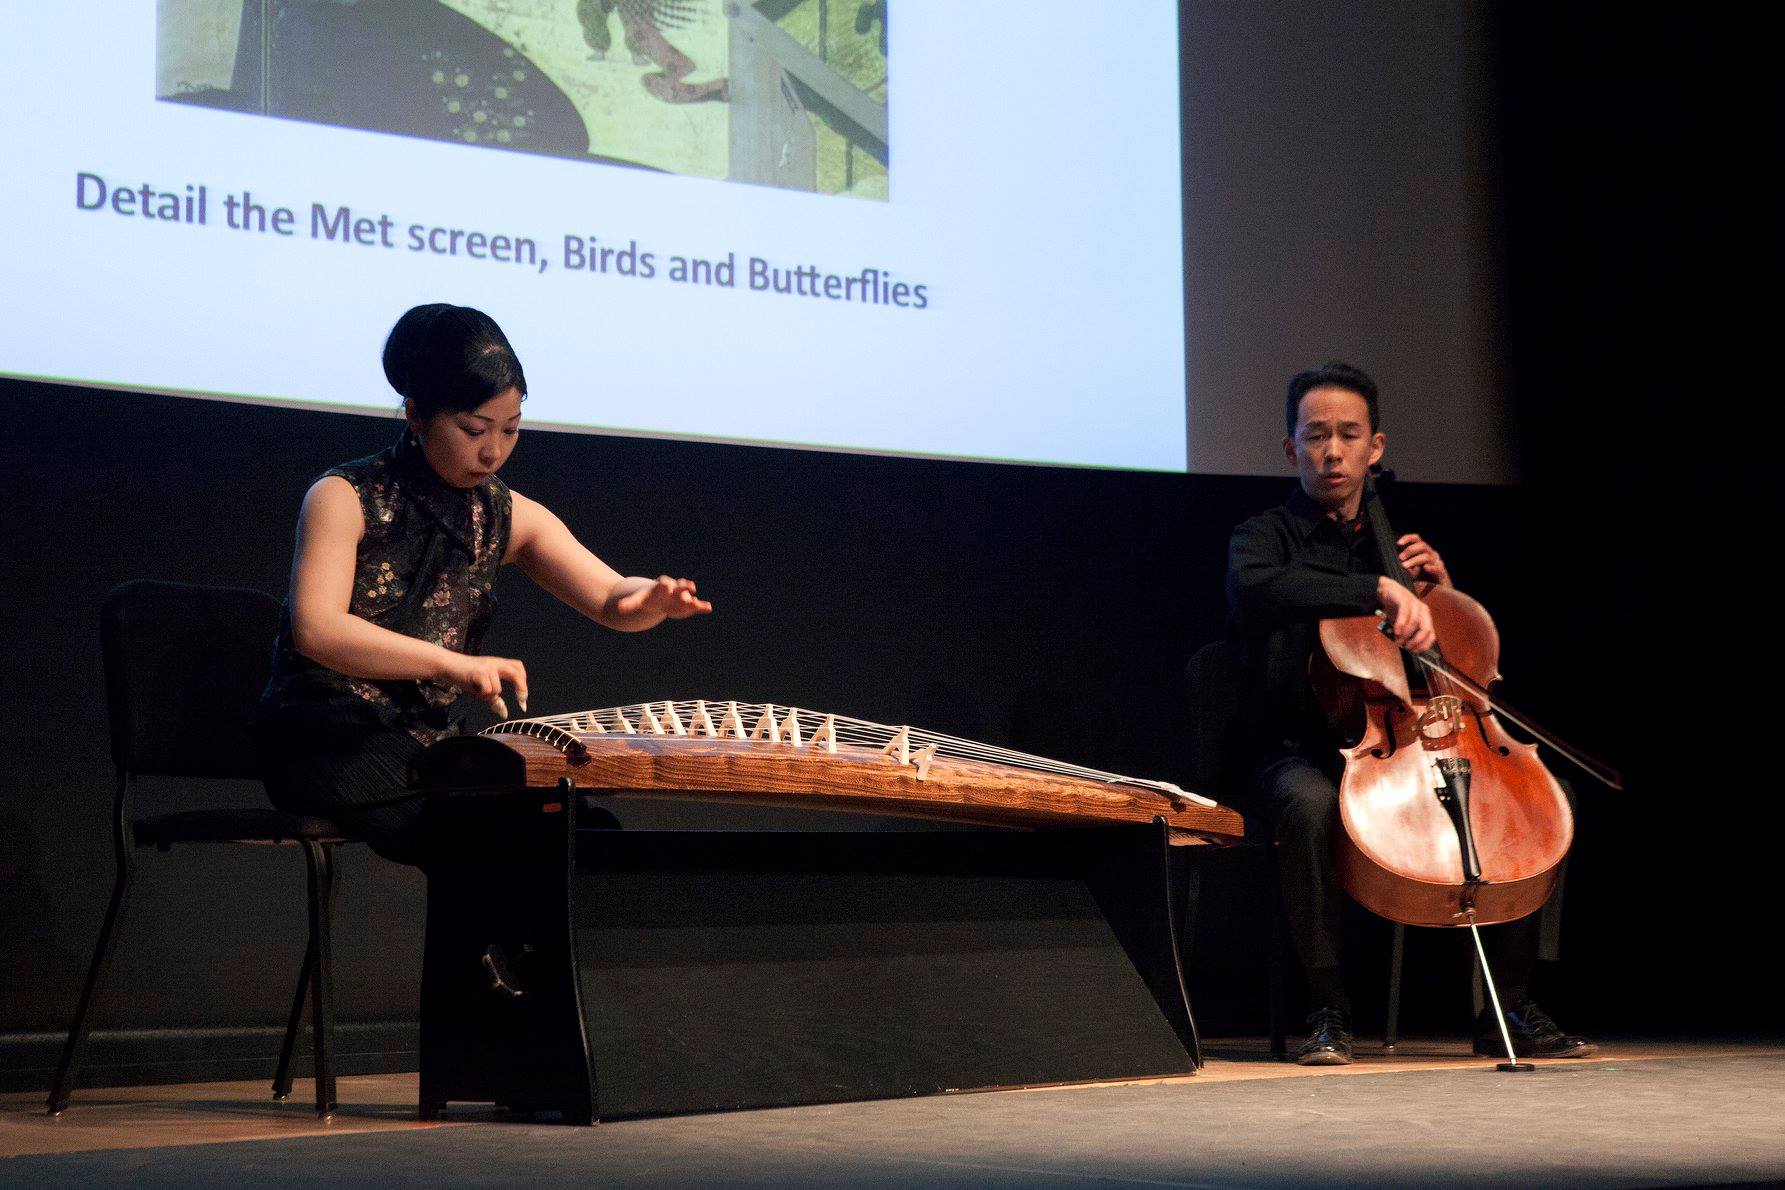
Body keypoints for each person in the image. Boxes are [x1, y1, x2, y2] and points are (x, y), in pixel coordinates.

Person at [1224, 361, 1592, 1065]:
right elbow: (1253, 589)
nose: (1332, 451)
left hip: (1404, 743)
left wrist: (1439, 598)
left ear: (1376, 447)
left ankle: (1510, 1005)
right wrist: (1376, 589)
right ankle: (1327, 1007)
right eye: (1315, 436)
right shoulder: (1263, 538)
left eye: (1348, 435)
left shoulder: (1393, 542)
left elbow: (1446, 665)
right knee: (1305, 805)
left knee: (1547, 802)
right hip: (1300, 750)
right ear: (1290, 448)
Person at [256, 303, 711, 865]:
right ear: (417, 414)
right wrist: (453, 665)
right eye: (473, 429)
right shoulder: (343, 497)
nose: (493, 450)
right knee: (485, 833)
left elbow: (612, 598)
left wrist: (651, 600)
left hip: (427, 745)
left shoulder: (502, 513)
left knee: (581, 829)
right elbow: (317, 630)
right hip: (327, 736)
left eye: (510, 430)